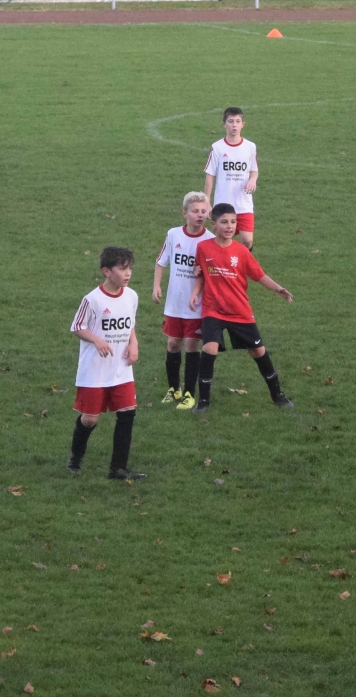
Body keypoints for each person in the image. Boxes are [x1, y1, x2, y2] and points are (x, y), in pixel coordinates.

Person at [188, 203, 294, 414]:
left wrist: (278, 289)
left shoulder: (241, 252)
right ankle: (203, 401)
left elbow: (259, 275)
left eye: (233, 222)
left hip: (239, 311)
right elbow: (201, 274)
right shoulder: (203, 248)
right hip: (212, 310)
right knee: (209, 348)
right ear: (214, 225)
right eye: (224, 222)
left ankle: (277, 395)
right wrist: (195, 292)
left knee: (258, 351)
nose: (229, 226)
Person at [68, 247, 144, 481]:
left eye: (129, 268)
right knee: (90, 419)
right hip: (95, 371)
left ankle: (118, 468)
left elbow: (130, 324)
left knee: (127, 413)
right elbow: (77, 327)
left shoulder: (131, 296)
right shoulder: (92, 300)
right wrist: (96, 339)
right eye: (122, 269)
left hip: (121, 369)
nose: (128, 273)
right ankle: (76, 457)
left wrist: (134, 343)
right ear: (106, 272)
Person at [152, 191, 212, 409]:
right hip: (174, 303)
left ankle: (189, 393)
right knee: (173, 343)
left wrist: (201, 271)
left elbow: (213, 272)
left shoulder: (209, 240)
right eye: (195, 211)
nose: (200, 215)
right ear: (184, 213)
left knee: (191, 346)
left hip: (195, 305)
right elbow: (161, 262)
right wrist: (156, 286)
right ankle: (173, 389)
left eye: (204, 211)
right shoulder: (174, 234)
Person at [205, 107, 258, 245]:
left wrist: (253, 180)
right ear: (224, 124)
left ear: (243, 124)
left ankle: (242, 259)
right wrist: (207, 201)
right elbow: (210, 175)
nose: (234, 125)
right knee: (224, 241)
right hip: (223, 202)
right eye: (230, 121)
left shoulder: (250, 147)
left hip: (244, 203)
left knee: (248, 240)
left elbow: (254, 170)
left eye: (237, 121)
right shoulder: (217, 147)